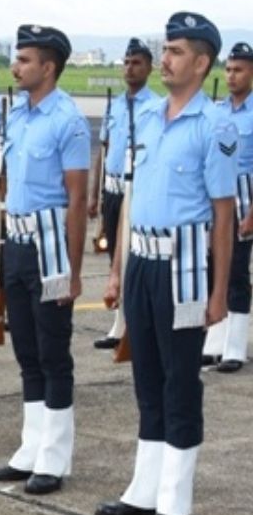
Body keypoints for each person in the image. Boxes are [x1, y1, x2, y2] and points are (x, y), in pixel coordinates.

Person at [96, 12, 236, 515]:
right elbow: (133, 200)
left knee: (180, 382)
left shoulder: (215, 125)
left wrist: (219, 291)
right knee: (146, 378)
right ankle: (143, 489)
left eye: (176, 51)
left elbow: (223, 214)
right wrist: (117, 270)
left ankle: (174, 499)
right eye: (165, 48)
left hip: (184, 267)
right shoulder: (149, 117)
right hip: (142, 262)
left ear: (201, 62)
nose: (166, 58)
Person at [0, 25, 89, 495]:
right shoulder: (18, 116)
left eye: (24, 60)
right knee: (26, 350)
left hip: (50, 246)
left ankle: (55, 456)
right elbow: (0, 195)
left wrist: (75, 270)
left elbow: (78, 198)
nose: (15, 67)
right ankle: (31, 446)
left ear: (48, 67)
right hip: (17, 245)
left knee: (52, 352)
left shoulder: (69, 120)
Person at [90, 38, 158, 350]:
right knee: (114, 254)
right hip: (113, 189)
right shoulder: (115, 104)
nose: (130, 68)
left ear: (149, 68)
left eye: (137, 63)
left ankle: (131, 325)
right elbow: (103, 151)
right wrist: (96, 193)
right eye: (127, 62)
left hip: (138, 189)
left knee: (132, 256)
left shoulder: (156, 107)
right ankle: (120, 321)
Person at [202, 41, 253, 372]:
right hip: (219, 200)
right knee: (214, 271)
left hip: (246, 200)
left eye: (239, 69)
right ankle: (214, 341)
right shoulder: (217, 111)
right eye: (229, 69)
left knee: (236, 273)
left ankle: (235, 346)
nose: (232, 75)